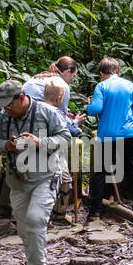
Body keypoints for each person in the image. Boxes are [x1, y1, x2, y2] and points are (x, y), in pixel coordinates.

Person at [0, 80, 71, 265]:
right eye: (4, 106)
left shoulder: (46, 112)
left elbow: (66, 139)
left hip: (45, 175)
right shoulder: (3, 117)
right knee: (24, 225)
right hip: (17, 179)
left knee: (35, 219)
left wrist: (40, 142)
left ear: (22, 97)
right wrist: (6, 145)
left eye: (10, 104)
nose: (6, 109)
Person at [84, 57, 133, 218]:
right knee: (132, 167)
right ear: (118, 72)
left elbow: (96, 108)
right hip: (127, 134)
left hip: (107, 135)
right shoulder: (129, 85)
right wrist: (130, 118)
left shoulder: (102, 86)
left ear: (101, 73)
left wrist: (88, 107)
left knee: (100, 172)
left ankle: (95, 212)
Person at [41, 78, 81, 225]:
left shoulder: (37, 108)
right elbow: (68, 131)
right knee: (63, 181)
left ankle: (52, 215)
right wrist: (76, 129)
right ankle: (56, 216)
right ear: (59, 98)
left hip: (39, 152)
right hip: (51, 153)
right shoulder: (54, 112)